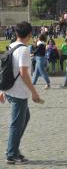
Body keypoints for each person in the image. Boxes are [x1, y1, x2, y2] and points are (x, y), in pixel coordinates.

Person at [0, 21, 41, 164]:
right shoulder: (24, 50)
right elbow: (24, 74)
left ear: (16, 33)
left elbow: (5, 69)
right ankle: (11, 154)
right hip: (18, 92)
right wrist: (34, 92)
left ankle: (14, 148)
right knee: (17, 123)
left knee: (25, 117)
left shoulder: (11, 46)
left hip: (10, 90)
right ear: (30, 34)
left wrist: (2, 90)